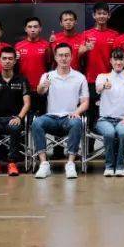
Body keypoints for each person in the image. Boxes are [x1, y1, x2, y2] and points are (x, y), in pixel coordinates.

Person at [32, 43, 88, 179]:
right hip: (51, 118)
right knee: (37, 122)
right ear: (56, 58)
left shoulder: (80, 77)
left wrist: (77, 112)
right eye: (61, 55)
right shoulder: (48, 76)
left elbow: (85, 102)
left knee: (77, 122)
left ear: (71, 57)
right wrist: (42, 86)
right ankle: (44, 164)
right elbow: (40, 91)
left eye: (67, 55)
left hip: (69, 117)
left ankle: (70, 163)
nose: (64, 58)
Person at [0, 47, 31, 176]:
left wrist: (19, 117)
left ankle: (12, 163)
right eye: (4, 58)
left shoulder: (22, 80)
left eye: (10, 59)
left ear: (15, 61)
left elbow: (27, 103)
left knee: (15, 128)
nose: (7, 61)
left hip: (13, 118)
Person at [94, 49, 124, 177]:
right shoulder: (102, 77)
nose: (118, 62)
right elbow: (98, 88)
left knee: (122, 132)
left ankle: (120, 166)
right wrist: (104, 86)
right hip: (104, 119)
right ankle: (109, 166)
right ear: (111, 61)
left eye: (121, 59)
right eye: (115, 59)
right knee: (109, 133)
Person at [81, 3, 120, 101]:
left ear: (109, 15)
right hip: (91, 79)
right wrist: (85, 49)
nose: (102, 16)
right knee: (92, 108)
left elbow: (118, 58)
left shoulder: (115, 35)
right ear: (94, 15)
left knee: (108, 107)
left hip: (110, 79)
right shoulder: (86, 34)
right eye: (99, 13)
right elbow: (78, 55)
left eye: (104, 13)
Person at [16, 16, 52, 114]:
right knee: (24, 116)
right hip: (24, 88)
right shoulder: (18, 46)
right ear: (25, 29)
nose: (32, 29)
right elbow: (14, 68)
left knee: (41, 116)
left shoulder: (46, 45)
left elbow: (50, 66)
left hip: (41, 87)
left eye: (35, 27)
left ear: (40, 29)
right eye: (30, 27)